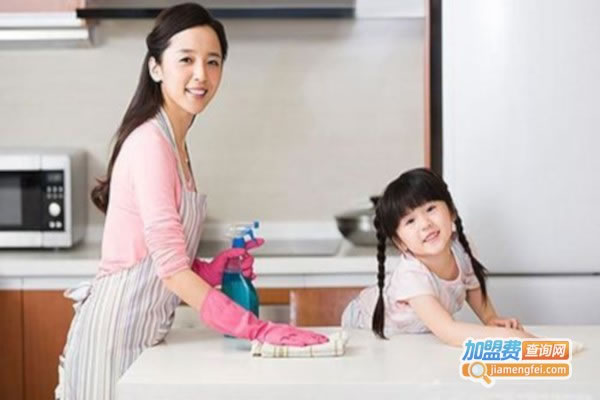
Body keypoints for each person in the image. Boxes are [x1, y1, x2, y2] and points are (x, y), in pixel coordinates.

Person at [56, 4, 327, 399]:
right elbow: (169, 271)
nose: (202, 74)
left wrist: (209, 269)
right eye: (186, 59)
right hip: (111, 338)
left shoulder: (176, 146)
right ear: (156, 68)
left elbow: (158, 258)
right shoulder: (150, 144)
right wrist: (256, 329)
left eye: (212, 61)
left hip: (143, 338)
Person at [341, 168, 535, 345]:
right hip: (364, 325)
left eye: (430, 209)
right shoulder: (411, 276)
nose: (425, 224)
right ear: (400, 243)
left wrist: (490, 319)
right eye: (410, 221)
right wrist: (509, 338)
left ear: (451, 211)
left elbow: (472, 285)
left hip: (416, 334)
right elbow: (449, 331)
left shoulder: (462, 248)